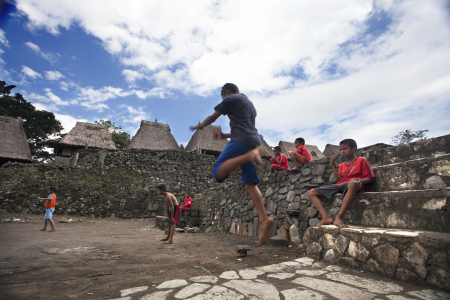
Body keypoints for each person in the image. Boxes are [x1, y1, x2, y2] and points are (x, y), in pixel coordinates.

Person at [190, 83, 273, 247]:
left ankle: (250, 156)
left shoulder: (231, 98)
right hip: (254, 141)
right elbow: (244, 127)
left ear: (226, 93)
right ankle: (264, 219)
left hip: (241, 142)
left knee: (218, 173)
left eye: (223, 97)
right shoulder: (249, 104)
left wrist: (200, 126)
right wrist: (224, 136)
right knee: (249, 183)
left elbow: (213, 117)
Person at [307, 139, 375, 228]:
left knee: (352, 183)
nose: (342, 151)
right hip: (341, 184)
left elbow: (369, 178)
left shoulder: (361, 160)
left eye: (345, 149)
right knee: (311, 192)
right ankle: (325, 217)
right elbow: (339, 180)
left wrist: (358, 180)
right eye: (341, 149)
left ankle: (339, 217)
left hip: (353, 184)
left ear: (353, 149)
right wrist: (332, 164)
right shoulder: (342, 165)